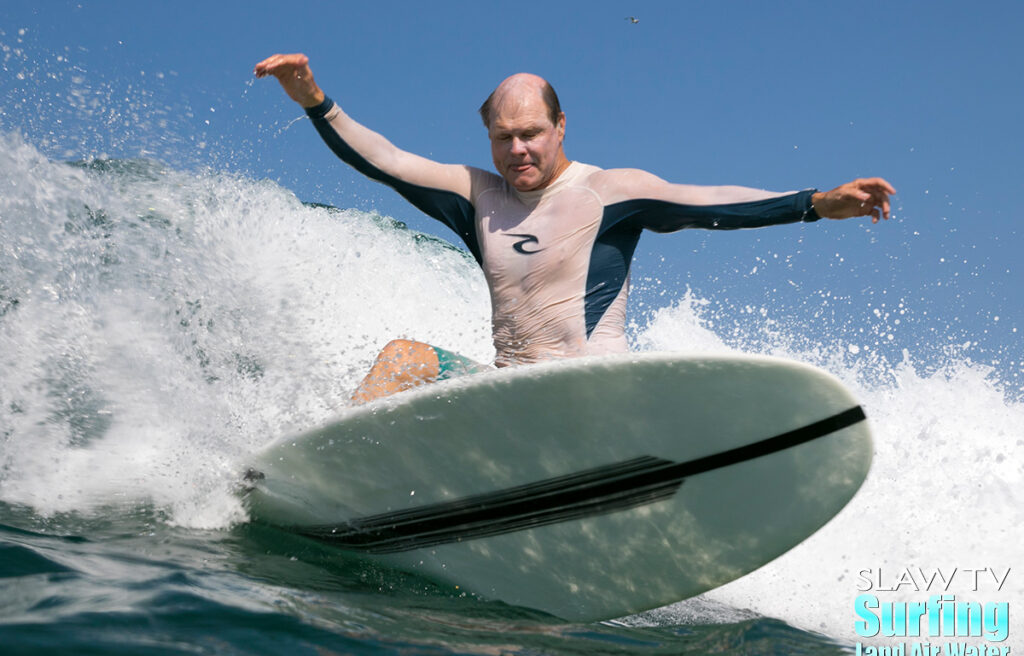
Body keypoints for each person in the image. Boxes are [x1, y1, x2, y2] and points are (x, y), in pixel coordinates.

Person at [254, 53, 895, 403]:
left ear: (560, 127)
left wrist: (814, 201)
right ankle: (323, 472)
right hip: (507, 394)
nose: (518, 151)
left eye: (531, 134)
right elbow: (387, 161)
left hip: (588, 395)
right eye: (503, 138)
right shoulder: (475, 196)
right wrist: (315, 99)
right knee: (403, 359)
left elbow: (712, 201)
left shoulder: (608, 191)